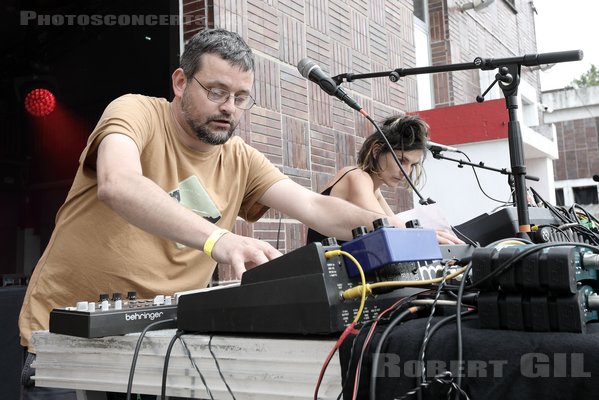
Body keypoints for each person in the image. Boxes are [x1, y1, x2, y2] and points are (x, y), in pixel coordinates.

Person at [19, 28, 412, 399]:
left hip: (162, 343)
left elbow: (312, 206)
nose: (229, 108)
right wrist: (219, 240)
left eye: (241, 97)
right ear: (180, 82)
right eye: (217, 91)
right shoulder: (135, 111)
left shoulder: (240, 157)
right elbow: (117, 183)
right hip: (66, 337)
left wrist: (398, 230)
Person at [306, 114, 462, 245]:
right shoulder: (356, 176)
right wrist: (430, 237)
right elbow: (390, 232)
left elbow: (395, 226)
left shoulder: (375, 191)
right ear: (376, 150)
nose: (406, 172)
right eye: (401, 161)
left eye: (412, 165)